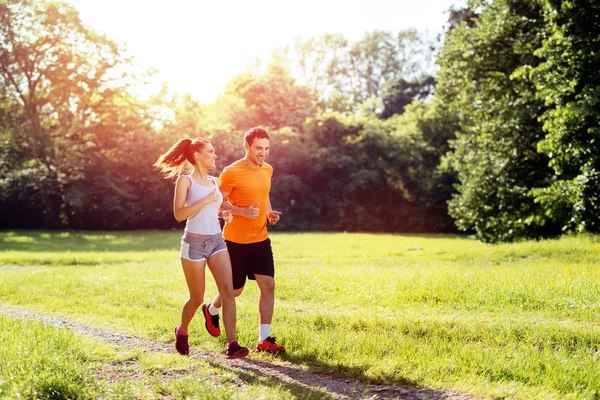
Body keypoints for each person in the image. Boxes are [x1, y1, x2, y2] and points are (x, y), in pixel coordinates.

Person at [154, 137, 249, 359]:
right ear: (197, 155)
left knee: (228, 292)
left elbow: (213, 208)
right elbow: (179, 214)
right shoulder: (185, 181)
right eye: (211, 151)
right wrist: (205, 201)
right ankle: (182, 330)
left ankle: (232, 344)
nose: (215, 155)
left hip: (216, 241)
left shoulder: (216, 182)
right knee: (197, 298)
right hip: (193, 245)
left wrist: (224, 213)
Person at [202, 127, 286, 353]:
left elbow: (263, 193)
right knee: (235, 291)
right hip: (235, 242)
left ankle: (264, 339)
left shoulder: (267, 169)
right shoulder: (231, 172)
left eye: (266, 148)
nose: (263, 153)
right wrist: (241, 211)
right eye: (258, 148)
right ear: (246, 146)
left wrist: (268, 213)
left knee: (268, 285)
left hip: (260, 239)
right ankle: (211, 309)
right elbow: (217, 202)